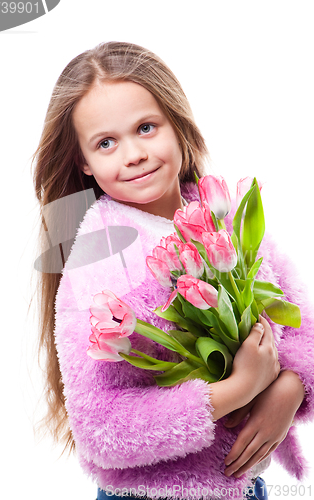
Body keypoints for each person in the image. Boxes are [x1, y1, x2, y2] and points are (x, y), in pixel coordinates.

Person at [33, 42, 313, 500]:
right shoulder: (99, 262)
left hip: (245, 487)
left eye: (146, 127)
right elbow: (101, 427)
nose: (134, 154)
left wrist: (289, 387)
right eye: (106, 143)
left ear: (177, 125)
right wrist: (239, 389)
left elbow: (302, 321)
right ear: (84, 162)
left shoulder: (223, 218)